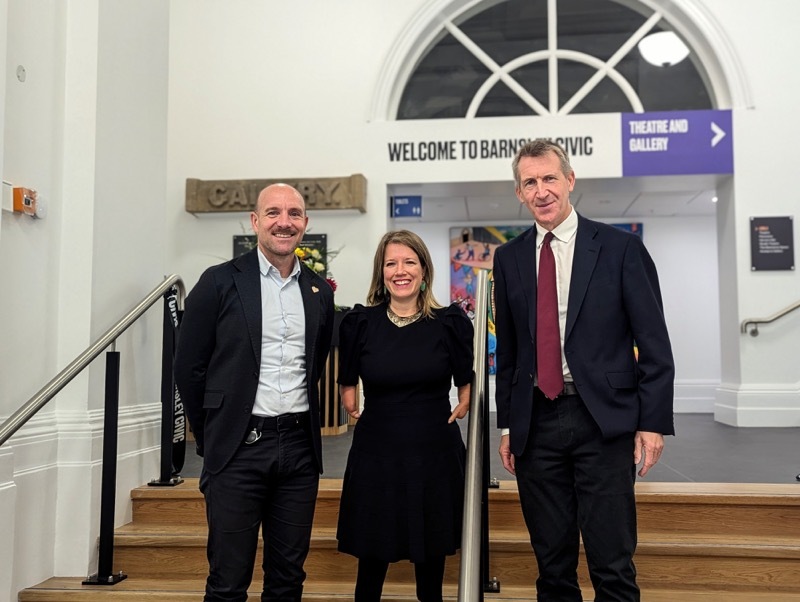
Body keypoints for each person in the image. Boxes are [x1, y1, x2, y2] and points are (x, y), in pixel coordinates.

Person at [492, 139, 675, 602]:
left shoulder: (620, 248)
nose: (541, 190)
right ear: (519, 193)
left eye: (549, 178)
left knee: (611, 564)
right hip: (538, 422)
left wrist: (652, 423)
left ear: (570, 181)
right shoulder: (509, 258)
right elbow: (510, 353)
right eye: (529, 182)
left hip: (604, 422)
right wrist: (509, 424)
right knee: (552, 567)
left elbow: (653, 343)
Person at [174, 183, 335, 601]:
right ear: (255, 221)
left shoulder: (319, 292)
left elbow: (313, 366)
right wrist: (213, 434)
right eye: (274, 213)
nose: (285, 222)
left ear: (305, 223)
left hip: (299, 450)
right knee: (228, 581)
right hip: (237, 449)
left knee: (287, 578)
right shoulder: (219, 282)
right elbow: (188, 367)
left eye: (294, 213)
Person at [336, 230, 474, 602]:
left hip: (434, 453)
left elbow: (466, 383)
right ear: (381, 273)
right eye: (391, 263)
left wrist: (462, 404)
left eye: (409, 262)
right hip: (377, 453)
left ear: (424, 269)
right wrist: (354, 408)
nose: (401, 270)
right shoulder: (360, 323)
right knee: (371, 557)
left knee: (430, 559)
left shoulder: (450, 323)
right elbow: (347, 384)